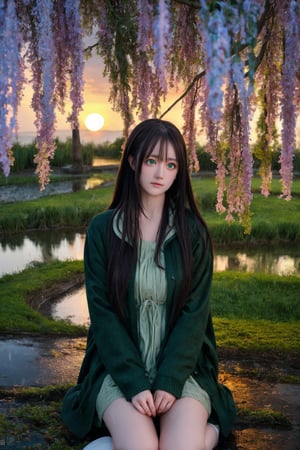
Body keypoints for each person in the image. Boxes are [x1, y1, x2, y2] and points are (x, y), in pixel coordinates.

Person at [61, 118, 236, 450]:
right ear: (132, 162)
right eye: (152, 161)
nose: (160, 173)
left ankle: (205, 436)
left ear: (178, 171)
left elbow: (193, 315)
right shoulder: (101, 231)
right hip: (118, 369)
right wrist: (135, 383)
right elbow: (104, 315)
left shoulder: (192, 232)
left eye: (170, 164)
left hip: (183, 371)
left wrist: (169, 383)